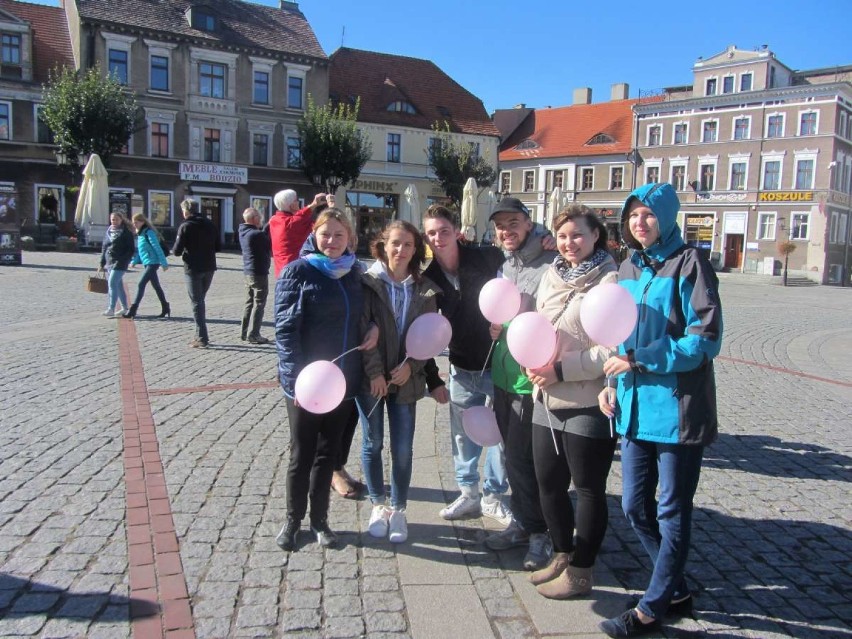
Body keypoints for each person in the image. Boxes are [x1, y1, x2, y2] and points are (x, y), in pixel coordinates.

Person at [597, 183, 722, 638]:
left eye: (648, 214)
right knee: (633, 507)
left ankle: (652, 607)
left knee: (671, 509)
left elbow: (704, 341)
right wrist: (611, 382)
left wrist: (640, 359)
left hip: (677, 411)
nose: (639, 222)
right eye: (633, 215)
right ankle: (675, 587)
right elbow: (618, 333)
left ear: (666, 216)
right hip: (632, 409)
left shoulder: (691, 264)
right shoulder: (628, 265)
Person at [524, 205, 619, 599]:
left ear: (595, 235)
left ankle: (582, 570)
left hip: (588, 401)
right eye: (563, 236)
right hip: (545, 397)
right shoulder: (551, 275)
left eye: (577, 235)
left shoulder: (612, 282)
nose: (569, 243)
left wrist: (561, 370)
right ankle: (562, 553)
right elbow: (536, 325)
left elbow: (611, 350)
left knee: (588, 488)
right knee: (548, 484)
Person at [274, 208, 376, 552]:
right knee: (301, 454)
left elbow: (365, 315)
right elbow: (286, 333)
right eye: (325, 234)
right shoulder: (297, 272)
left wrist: (373, 327)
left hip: (342, 382)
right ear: (313, 235)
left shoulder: (353, 274)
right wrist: (294, 384)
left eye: (338, 235)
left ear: (350, 239)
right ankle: (292, 521)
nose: (331, 242)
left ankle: (320, 521)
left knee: (327, 454)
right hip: (305, 384)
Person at [421, 204, 511, 525]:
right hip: (460, 365)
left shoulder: (485, 256)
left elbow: (518, 263)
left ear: (456, 230)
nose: (438, 238)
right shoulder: (429, 277)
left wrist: (541, 237)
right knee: (462, 434)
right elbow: (426, 325)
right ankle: (469, 494)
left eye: (444, 231)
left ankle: (494, 494)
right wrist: (433, 377)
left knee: (502, 431)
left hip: (497, 361)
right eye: (431, 233)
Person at [483, 197, 556, 571]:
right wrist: (497, 327)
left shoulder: (552, 261)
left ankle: (541, 534)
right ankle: (523, 522)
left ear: (529, 224)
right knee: (512, 457)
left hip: (532, 380)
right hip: (503, 374)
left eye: (513, 223)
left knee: (529, 460)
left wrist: (552, 238)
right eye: (500, 225)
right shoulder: (504, 266)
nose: (506, 231)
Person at [357, 220, 441, 544]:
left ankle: (399, 509)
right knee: (373, 442)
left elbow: (431, 336)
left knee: (403, 449)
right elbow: (362, 330)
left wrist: (412, 365)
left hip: (406, 381)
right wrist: (375, 372)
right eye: (395, 243)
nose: (401, 250)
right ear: (383, 245)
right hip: (372, 381)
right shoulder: (369, 282)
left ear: (416, 250)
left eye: (407, 245)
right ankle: (378, 505)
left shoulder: (426, 289)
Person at [173, 199, 220, 348]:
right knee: (200, 301)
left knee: (197, 303)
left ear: (186, 211)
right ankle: (199, 335)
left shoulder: (185, 226)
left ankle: (202, 337)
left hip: (193, 269)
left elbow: (176, 251)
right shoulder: (211, 224)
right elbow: (218, 246)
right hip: (209, 267)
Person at [268, 190, 328, 278]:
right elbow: (301, 218)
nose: (298, 202)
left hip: (281, 269)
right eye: (296, 200)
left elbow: (301, 219)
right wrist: (318, 205)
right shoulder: (291, 223)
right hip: (294, 269)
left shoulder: (275, 220)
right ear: (292, 205)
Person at [123, 213, 170, 319]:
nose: (135, 225)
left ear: (143, 222)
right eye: (133, 222)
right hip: (147, 262)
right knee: (156, 286)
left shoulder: (149, 232)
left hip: (153, 263)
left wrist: (164, 263)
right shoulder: (140, 234)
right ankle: (165, 307)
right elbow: (141, 250)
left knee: (141, 284)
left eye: (137, 222)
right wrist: (135, 261)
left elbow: (157, 247)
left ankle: (133, 310)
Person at [238, 207, 272, 344]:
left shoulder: (243, 231)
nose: (261, 219)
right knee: (259, 304)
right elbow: (267, 243)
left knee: (248, 303)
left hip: (248, 272)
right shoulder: (256, 234)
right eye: (259, 216)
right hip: (258, 273)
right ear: (254, 219)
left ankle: (244, 332)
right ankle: (254, 334)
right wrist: (269, 226)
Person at [98, 212, 135, 318]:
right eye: (112, 219)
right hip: (109, 261)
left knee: (112, 283)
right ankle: (125, 308)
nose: (114, 221)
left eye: (116, 219)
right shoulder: (109, 231)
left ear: (121, 220)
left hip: (120, 263)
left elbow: (131, 249)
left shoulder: (126, 233)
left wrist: (124, 260)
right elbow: (104, 247)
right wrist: (102, 262)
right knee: (118, 285)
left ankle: (111, 308)